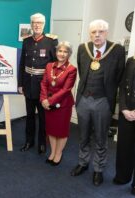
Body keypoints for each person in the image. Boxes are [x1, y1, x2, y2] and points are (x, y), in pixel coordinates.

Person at [70, 19, 125, 186]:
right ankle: (83, 163)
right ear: (90, 34)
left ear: (106, 33)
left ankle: (98, 169)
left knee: (101, 138)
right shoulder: (82, 48)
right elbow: (81, 70)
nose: (97, 35)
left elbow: (119, 75)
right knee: (83, 135)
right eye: (93, 32)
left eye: (100, 32)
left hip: (103, 101)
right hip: (84, 99)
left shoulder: (117, 50)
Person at [18, 13, 58, 154]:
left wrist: (53, 86)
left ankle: (42, 144)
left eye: (40, 23)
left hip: (43, 87)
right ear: (31, 24)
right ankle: (29, 141)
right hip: (28, 85)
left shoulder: (51, 41)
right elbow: (22, 63)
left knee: (43, 118)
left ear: (44, 24)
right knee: (29, 116)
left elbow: (55, 65)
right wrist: (20, 84)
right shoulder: (26, 41)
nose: (37, 25)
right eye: (34, 22)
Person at [40, 41, 77, 166]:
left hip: (63, 105)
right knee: (51, 130)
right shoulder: (49, 66)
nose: (62, 54)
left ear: (69, 54)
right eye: (60, 51)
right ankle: (52, 152)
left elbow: (66, 89)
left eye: (65, 51)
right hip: (48, 104)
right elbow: (44, 83)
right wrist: (43, 99)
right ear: (56, 52)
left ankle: (58, 153)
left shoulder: (72, 69)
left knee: (61, 131)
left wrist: (49, 101)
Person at [113, 56, 135, 196]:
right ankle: (123, 177)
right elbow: (122, 85)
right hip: (126, 110)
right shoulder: (131, 60)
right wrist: (123, 108)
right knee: (124, 147)